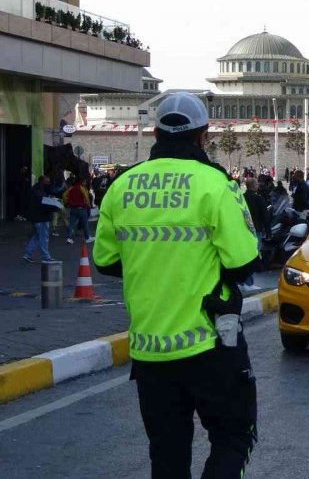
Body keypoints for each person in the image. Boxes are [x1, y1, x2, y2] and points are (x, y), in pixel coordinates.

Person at [93, 92, 260, 478]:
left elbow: (105, 260)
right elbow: (243, 261)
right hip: (209, 343)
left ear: (155, 133)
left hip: (149, 350)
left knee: (167, 456)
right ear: (203, 136)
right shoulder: (215, 184)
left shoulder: (122, 186)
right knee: (233, 437)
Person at [22, 175, 57, 263]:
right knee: (43, 238)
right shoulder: (40, 193)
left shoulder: (35, 191)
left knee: (37, 236)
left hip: (36, 218)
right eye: (47, 182)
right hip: (41, 218)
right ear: (43, 182)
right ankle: (46, 257)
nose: (49, 183)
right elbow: (43, 206)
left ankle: (28, 254)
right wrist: (55, 207)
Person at [241, 178, 267, 293]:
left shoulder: (242, 198)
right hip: (256, 230)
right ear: (252, 186)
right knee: (253, 255)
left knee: (245, 255)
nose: (258, 185)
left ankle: (244, 281)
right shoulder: (258, 198)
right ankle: (249, 282)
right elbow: (264, 215)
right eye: (256, 184)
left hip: (244, 230)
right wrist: (268, 231)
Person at [64, 176, 94, 244]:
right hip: (81, 209)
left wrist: (68, 202)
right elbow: (86, 198)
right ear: (81, 182)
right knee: (85, 224)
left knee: (71, 224)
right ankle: (87, 238)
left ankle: (69, 238)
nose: (85, 182)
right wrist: (88, 205)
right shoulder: (82, 188)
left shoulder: (71, 188)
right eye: (84, 181)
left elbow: (64, 195)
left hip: (73, 209)